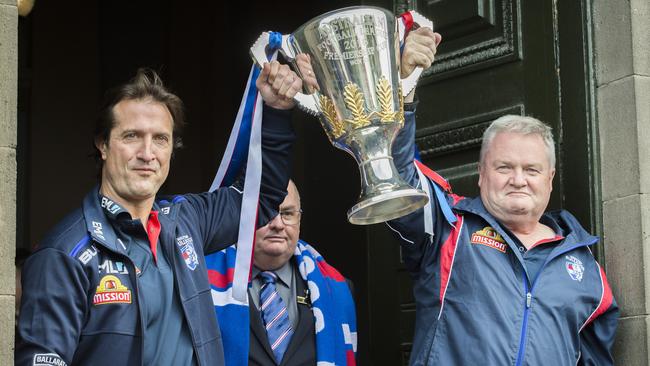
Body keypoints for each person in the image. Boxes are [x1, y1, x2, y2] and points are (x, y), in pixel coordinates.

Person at [15, 62, 304, 366]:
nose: (147, 153)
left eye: (160, 139)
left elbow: (261, 197)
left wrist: (276, 111)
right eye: (131, 136)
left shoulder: (185, 222)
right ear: (103, 144)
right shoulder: (64, 253)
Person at [388, 28, 619, 365]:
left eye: (532, 170)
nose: (518, 180)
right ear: (481, 174)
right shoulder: (447, 228)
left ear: (550, 179)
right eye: (504, 167)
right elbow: (397, 180)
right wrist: (404, 88)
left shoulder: (586, 269)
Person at [205, 180, 356, 366]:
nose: (277, 224)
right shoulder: (201, 282)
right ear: (240, 216)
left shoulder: (336, 288)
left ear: (299, 220)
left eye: (287, 214)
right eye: (266, 211)